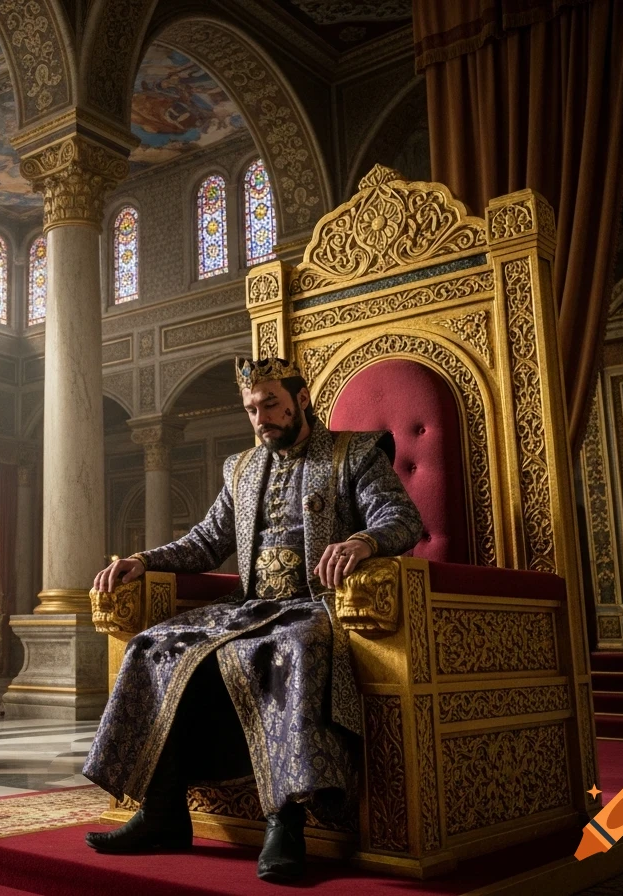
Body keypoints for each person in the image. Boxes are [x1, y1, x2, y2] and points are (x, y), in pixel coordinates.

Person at [82, 356, 424, 884]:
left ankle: (284, 824)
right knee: (152, 646)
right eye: (251, 409)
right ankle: (162, 811)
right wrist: (143, 560)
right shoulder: (240, 470)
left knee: (289, 647)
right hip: (249, 609)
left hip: (319, 608)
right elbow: (205, 541)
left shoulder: (353, 454)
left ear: (300, 400)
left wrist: (362, 541)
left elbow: (401, 518)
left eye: (270, 404)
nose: (260, 417)